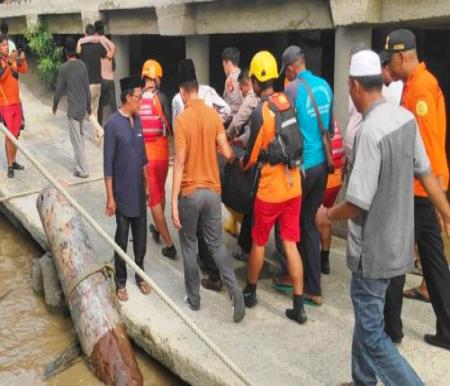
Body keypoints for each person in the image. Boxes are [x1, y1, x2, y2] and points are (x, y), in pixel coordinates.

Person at [316, 49, 450, 386]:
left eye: (349, 87)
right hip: (399, 246)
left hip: (372, 253)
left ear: (357, 87)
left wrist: (327, 215)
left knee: (374, 335)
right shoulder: (405, 118)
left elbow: (357, 204)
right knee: (367, 319)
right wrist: (448, 213)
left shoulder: (370, 132)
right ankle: (362, 381)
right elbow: (428, 175)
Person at [385, 29, 450, 350]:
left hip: (417, 191)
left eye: (391, 59)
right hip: (424, 190)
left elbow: (426, 146)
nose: (389, 66)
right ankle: (448, 329)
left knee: (397, 257)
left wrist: (436, 192)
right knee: (435, 260)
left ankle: (391, 330)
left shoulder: (420, 89)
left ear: (402, 56)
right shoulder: (417, 83)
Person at [171, 58, 245, 323]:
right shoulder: (213, 115)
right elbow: (226, 152)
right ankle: (236, 292)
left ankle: (194, 299)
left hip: (190, 193)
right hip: (213, 192)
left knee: (189, 245)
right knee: (216, 245)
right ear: (198, 88)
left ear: (182, 91)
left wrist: (173, 202)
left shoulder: (181, 121)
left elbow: (179, 162)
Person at [241, 50, 306, 324]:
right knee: (290, 243)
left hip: (270, 191)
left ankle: (251, 291)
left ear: (256, 80)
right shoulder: (286, 101)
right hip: (294, 187)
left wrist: (241, 163)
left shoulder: (260, 110)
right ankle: (299, 306)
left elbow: (252, 155)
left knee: (258, 241)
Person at [282, 45, 333, 306]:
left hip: (303, 167)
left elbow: (287, 130)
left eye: (286, 71)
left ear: (292, 67)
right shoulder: (325, 86)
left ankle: (304, 282)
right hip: (323, 164)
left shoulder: (292, 89)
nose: (286, 76)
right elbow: (330, 127)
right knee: (310, 222)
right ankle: (308, 279)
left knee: (295, 224)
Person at [104, 75, 150, 301]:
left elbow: (143, 157)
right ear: (128, 97)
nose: (141, 101)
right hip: (121, 195)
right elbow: (107, 166)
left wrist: (148, 185)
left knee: (141, 240)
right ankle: (120, 281)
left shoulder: (138, 120)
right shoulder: (112, 125)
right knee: (122, 239)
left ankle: (140, 275)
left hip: (140, 192)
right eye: (139, 97)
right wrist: (110, 197)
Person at [139, 59, 177, 259]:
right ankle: (158, 228)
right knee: (160, 193)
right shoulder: (161, 97)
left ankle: (169, 245)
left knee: (153, 198)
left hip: (147, 157)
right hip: (162, 154)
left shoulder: (136, 99)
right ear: (156, 78)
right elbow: (169, 126)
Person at [53, 37, 92, 179]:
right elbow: (87, 88)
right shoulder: (82, 65)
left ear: (65, 51)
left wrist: (55, 104)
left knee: (76, 141)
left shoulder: (64, 68)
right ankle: (79, 166)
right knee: (80, 139)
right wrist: (89, 107)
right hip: (82, 108)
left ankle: (84, 170)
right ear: (75, 49)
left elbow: (59, 89)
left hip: (73, 110)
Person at [76, 20, 117, 126]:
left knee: (96, 109)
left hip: (97, 80)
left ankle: (98, 127)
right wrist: (111, 55)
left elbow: (79, 50)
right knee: (113, 106)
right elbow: (111, 52)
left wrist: (81, 40)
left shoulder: (93, 42)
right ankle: (115, 126)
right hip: (107, 79)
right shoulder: (106, 43)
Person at [0, 34, 27, 178]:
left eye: (6, 44)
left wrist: (22, 58)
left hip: (17, 102)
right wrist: (10, 62)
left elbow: (24, 70)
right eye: (3, 45)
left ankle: (14, 160)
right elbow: (2, 78)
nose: (6, 47)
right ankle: (10, 165)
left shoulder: (11, 59)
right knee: (9, 135)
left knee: (16, 134)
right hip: (4, 104)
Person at [77, 24, 107, 143]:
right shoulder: (98, 44)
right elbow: (105, 54)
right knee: (94, 111)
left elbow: (77, 51)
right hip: (98, 83)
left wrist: (80, 41)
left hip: (88, 84)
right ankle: (97, 138)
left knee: (88, 112)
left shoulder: (83, 46)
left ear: (85, 33)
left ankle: (99, 130)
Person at [221, 47, 242, 117]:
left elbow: (235, 106)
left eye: (223, 64)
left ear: (227, 62)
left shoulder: (230, 79)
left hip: (234, 122)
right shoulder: (242, 74)